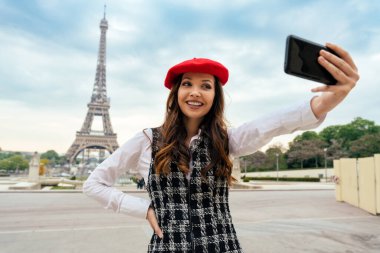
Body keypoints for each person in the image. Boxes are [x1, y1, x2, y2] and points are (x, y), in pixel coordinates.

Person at [83, 43, 359, 252]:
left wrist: (328, 100)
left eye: (206, 86)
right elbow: (94, 183)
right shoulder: (146, 140)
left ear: (215, 97)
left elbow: (272, 124)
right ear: (175, 93)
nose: (195, 92)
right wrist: (143, 209)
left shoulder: (227, 140)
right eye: (187, 84)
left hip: (222, 246)